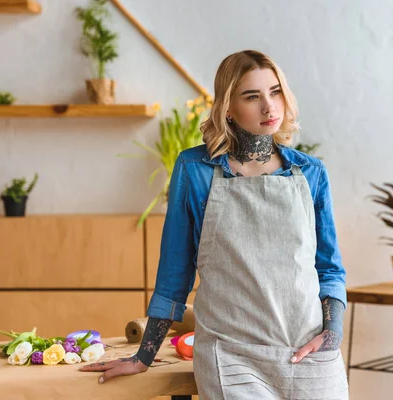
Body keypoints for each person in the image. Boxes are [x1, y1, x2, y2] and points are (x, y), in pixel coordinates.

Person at [80, 50, 348, 399]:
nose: (269, 107)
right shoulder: (195, 170)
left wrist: (331, 336)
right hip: (232, 357)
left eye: (275, 91)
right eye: (252, 97)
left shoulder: (311, 173)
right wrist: (144, 355)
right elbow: (175, 272)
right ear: (227, 108)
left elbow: (328, 269)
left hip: (309, 354)